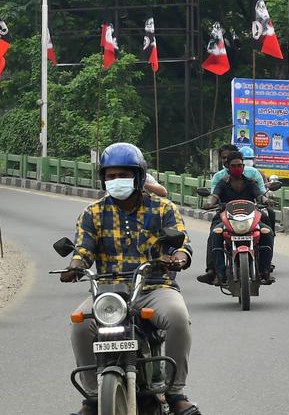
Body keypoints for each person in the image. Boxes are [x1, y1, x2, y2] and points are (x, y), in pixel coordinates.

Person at [62, 142, 201, 415]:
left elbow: (181, 244)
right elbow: (83, 249)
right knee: (79, 324)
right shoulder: (92, 213)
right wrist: (75, 265)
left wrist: (179, 258)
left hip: (154, 286)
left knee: (178, 318)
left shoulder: (163, 209)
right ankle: (92, 397)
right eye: (110, 176)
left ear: (138, 177)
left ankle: (175, 393)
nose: (116, 181)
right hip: (109, 292)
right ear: (103, 179)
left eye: (123, 175)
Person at [197, 151, 275, 285]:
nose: (237, 168)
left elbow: (260, 196)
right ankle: (219, 274)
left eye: (240, 165)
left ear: (243, 166)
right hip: (226, 219)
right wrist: (209, 203)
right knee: (215, 234)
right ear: (228, 166)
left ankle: (265, 271)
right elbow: (214, 196)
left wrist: (266, 200)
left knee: (267, 232)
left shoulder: (251, 183)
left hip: (250, 219)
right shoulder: (222, 183)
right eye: (234, 165)